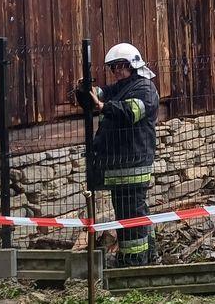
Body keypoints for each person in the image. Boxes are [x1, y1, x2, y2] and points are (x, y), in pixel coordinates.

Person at [78, 42, 160, 267]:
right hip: (120, 165)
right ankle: (149, 255)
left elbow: (130, 111)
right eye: (113, 67)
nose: (116, 71)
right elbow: (99, 95)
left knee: (130, 214)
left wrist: (103, 106)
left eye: (120, 66)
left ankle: (133, 261)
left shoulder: (145, 88)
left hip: (133, 164)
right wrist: (85, 90)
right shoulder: (121, 87)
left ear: (132, 65)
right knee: (134, 212)